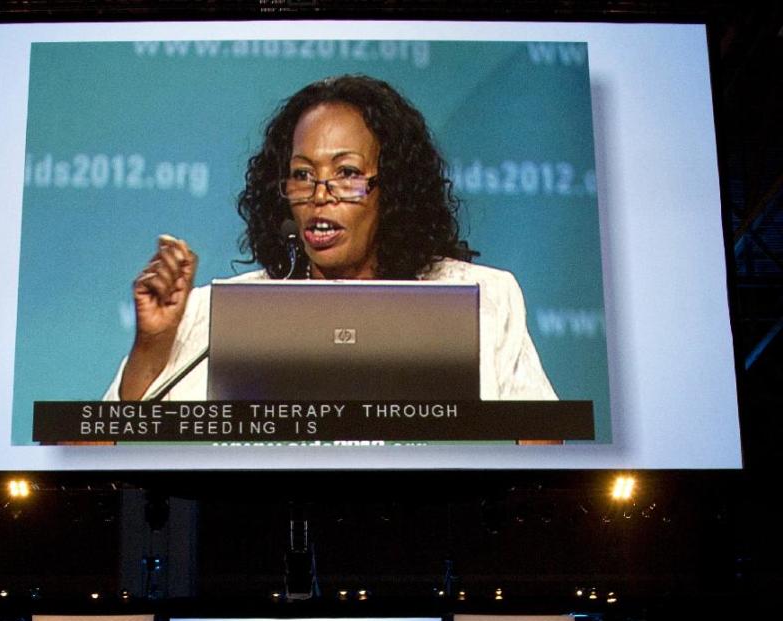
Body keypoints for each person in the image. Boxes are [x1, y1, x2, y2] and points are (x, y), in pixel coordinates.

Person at [105, 74, 556, 404]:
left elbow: (540, 451)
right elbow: (104, 450)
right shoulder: (212, 318)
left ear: (393, 187)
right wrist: (151, 348)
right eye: (302, 176)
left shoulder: (483, 300)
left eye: (347, 174)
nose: (320, 197)